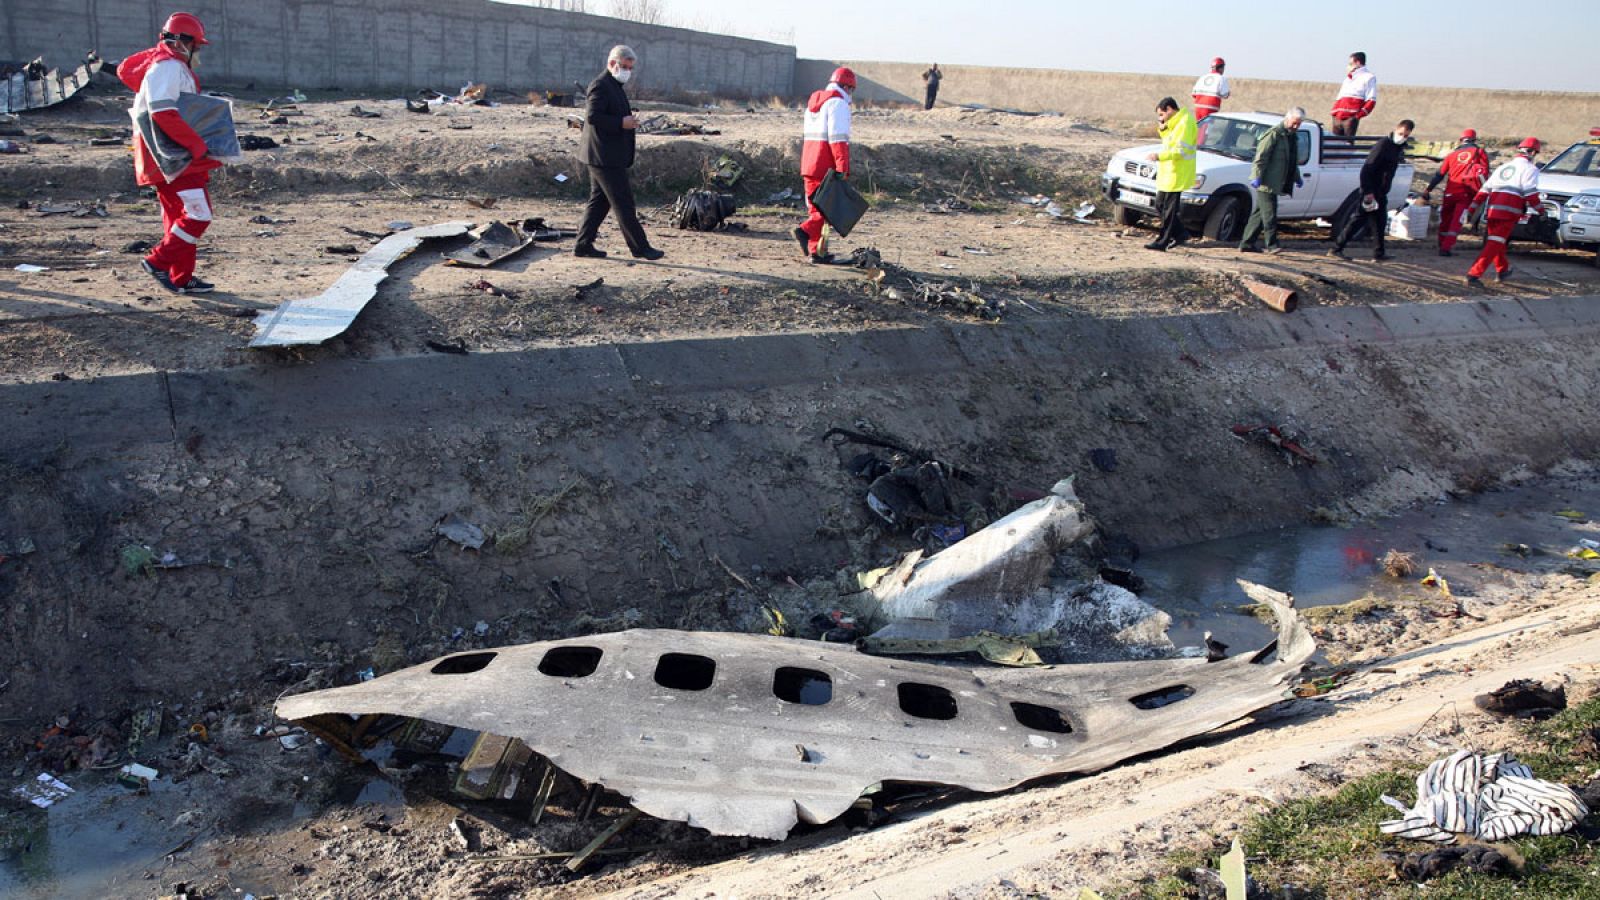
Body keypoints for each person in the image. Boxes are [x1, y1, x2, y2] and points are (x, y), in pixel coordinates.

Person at [118, 12, 220, 294]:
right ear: (182, 42)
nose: (198, 51)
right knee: (198, 215)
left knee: (179, 216)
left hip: (168, 155)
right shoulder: (168, 68)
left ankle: (181, 277)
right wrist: (197, 146)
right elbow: (164, 112)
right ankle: (158, 262)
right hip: (174, 157)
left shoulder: (166, 67)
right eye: (196, 45)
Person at [573, 45, 663, 261]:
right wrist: (621, 122)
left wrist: (627, 122)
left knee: (599, 202)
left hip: (604, 155)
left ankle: (583, 245)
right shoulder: (600, 85)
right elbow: (593, 116)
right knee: (623, 202)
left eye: (630, 68)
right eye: (624, 67)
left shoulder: (614, 85)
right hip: (604, 157)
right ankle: (640, 247)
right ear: (612, 63)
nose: (627, 72)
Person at [792, 67, 854, 263]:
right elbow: (838, 140)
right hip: (825, 164)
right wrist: (842, 167)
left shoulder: (813, 105)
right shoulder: (838, 104)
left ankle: (816, 252)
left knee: (816, 209)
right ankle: (804, 231)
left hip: (809, 162)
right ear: (846, 86)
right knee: (826, 210)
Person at [1329, 119, 1413, 262]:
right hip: (1371, 190)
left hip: (1380, 192)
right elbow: (1367, 169)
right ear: (1396, 129)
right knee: (1357, 220)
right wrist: (1368, 192)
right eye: (1401, 134)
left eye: (1406, 135)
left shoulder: (1397, 148)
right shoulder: (1383, 145)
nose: (1402, 137)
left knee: (1380, 222)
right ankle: (1336, 249)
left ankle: (1378, 254)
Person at [1466, 138, 1544, 285]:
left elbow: (1484, 191)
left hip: (1492, 210)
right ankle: (1473, 275)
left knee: (1496, 241)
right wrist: (1541, 211)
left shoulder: (1503, 167)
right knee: (1494, 244)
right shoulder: (1531, 169)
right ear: (1533, 152)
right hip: (1509, 213)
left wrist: (1471, 209)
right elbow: (1530, 194)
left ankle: (1503, 269)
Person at [1238, 107, 1304, 255]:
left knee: (1260, 214)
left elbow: (1292, 160)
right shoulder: (1273, 135)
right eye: (1294, 123)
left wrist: (1297, 177)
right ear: (1287, 119)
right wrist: (1256, 176)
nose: (1295, 127)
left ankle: (1246, 243)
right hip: (1266, 182)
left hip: (1276, 182)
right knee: (1270, 214)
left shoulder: (1292, 137)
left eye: (1298, 124)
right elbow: (1261, 157)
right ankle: (1272, 245)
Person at [1423, 129, 1490, 256]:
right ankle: (1446, 248)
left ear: (1461, 140)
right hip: (1465, 194)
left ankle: (1441, 243)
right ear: (1474, 140)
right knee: (1457, 221)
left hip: (1449, 193)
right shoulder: (1479, 152)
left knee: (1445, 219)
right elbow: (1485, 173)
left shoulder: (1451, 155)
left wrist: (1428, 189)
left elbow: (1440, 175)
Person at [1143, 97, 1197, 251]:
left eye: (1162, 114)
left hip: (1178, 172)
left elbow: (1180, 151)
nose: (1161, 118)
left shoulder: (1185, 123)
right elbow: (1169, 142)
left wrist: (1159, 156)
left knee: (1170, 211)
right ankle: (1180, 234)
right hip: (1169, 171)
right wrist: (1163, 129)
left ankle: (1163, 241)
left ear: (1169, 109)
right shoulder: (1175, 123)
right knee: (1160, 205)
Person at [1330, 52, 1377, 137]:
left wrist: (1357, 116)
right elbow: (1339, 98)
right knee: (1333, 145)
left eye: (1350, 63)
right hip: (1337, 117)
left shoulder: (1369, 77)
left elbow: (1371, 100)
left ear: (1358, 63)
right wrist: (1334, 112)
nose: (1348, 66)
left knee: (1347, 146)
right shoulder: (1347, 79)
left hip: (1350, 118)